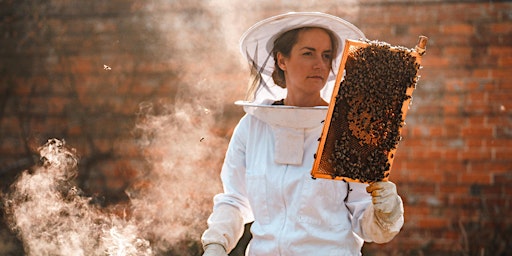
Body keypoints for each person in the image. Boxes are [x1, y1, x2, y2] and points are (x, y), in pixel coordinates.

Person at [201, 12, 404, 256]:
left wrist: (384, 213)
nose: (320, 64)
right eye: (308, 53)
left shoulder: (348, 131)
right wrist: (216, 244)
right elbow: (235, 200)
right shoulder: (253, 127)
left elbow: (365, 222)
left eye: (326, 55)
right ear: (282, 60)